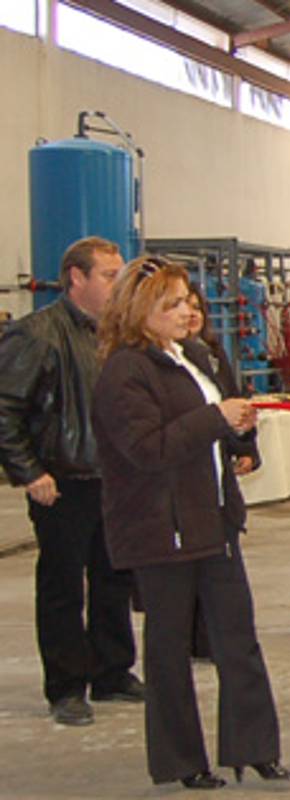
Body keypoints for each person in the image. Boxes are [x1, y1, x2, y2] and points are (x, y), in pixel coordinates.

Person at [92, 256, 290, 789]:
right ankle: (183, 761)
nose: (188, 310)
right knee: (168, 652)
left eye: (188, 300)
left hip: (212, 522)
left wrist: (236, 435)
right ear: (141, 310)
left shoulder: (190, 357)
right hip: (161, 531)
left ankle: (255, 748)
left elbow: (205, 430)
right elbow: (146, 449)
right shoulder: (124, 370)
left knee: (238, 640)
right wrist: (215, 419)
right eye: (174, 303)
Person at [0, 236, 141, 727]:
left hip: (115, 478)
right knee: (63, 585)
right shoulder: (38, 334)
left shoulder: (117, 335)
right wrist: (29, 471)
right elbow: (5, 409)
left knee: (114, 578)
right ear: (76, 278)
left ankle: (112, 671)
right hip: (63, 482)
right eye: (108, 275)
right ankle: (66, 685)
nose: (118, 284)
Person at [183, 284, 260, 660]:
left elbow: (232, 402)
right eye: (180, 305)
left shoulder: (210, 357)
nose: (190, 313)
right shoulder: (136, 365)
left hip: (217, 490)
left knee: (221, 577)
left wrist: (245, 443)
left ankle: (209, 639)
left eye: (195, 306)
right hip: (180, 492)